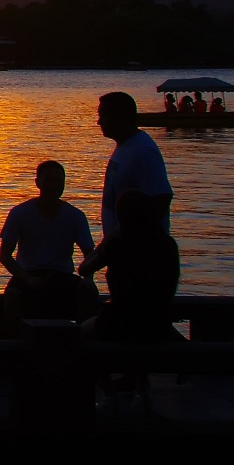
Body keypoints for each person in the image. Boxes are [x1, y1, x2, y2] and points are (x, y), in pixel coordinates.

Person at [83, 91, 180, 348]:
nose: (99, 122)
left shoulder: (143, 151)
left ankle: (181, 356)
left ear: (121, 117)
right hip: (123, 253)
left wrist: (131, 240)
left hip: (141, 256)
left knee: (137, 320)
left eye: (103, 115)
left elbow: (161, 198)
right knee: (137, 323)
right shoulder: (125, 149)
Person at [0, 160, 95, 323]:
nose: (54, 185)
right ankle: (14, 343)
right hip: (28, 274)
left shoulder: (75, 216)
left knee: (89, 294)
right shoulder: (20, 213)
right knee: (13, 296)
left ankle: (82, 343)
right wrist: (28, 279)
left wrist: (89, 279)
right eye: (49, 180)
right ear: (38, 183)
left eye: (59, 181)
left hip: (62, 276)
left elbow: (89, 254)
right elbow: (5, 256)